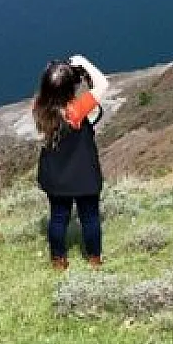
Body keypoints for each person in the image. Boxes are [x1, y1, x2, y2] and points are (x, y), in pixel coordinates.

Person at [33, 54, 111, 270]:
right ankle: (94, 259)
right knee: (90, 217)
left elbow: (48, 90)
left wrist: (60, 74)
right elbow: (103, 83)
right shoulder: (75, 110)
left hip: (55, 176)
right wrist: (83, 64)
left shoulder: (39, 107)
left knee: (58, 218)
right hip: (82, 175)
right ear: (70, 89)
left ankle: (58, 260)